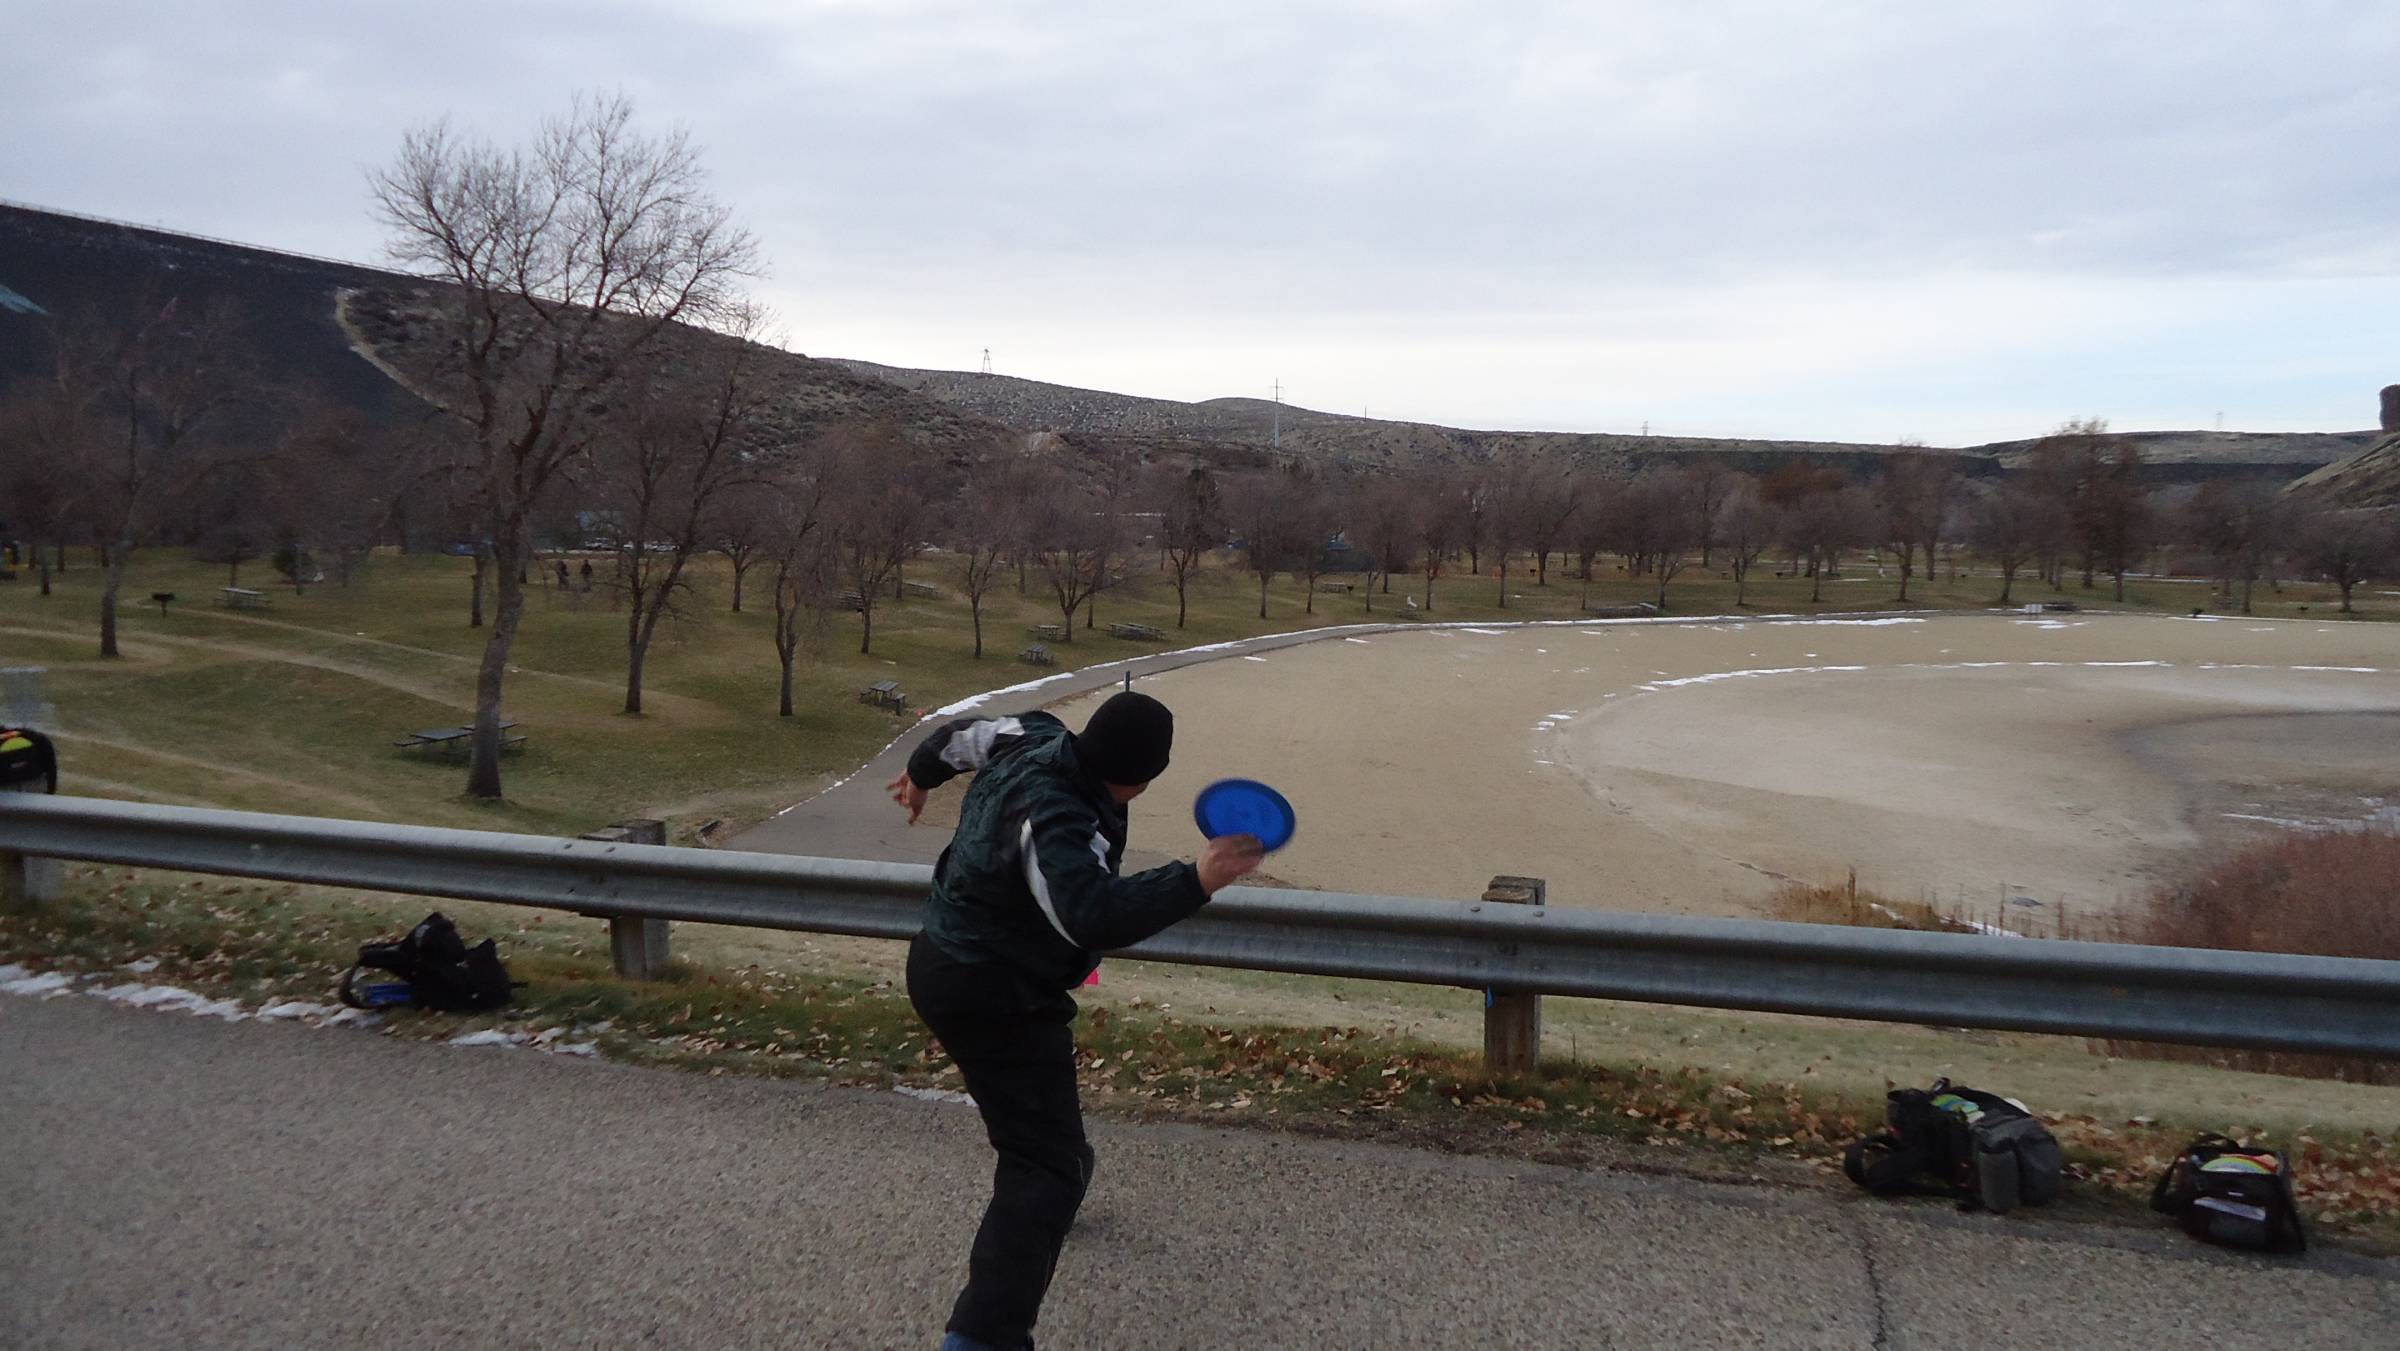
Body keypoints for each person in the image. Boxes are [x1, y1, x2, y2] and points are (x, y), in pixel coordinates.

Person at [887, 691, 1261, 1351]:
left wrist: (919, 777)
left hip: (942, 957)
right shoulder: (1059, 817)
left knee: (1051, 1146)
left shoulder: (1033, 733)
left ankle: (1066, 1174)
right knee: (1040, 1168)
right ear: (1147, 777)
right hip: (996, 992)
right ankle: (983, 1336)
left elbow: (954, 738)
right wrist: (1195, 879)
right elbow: (1089, 912)